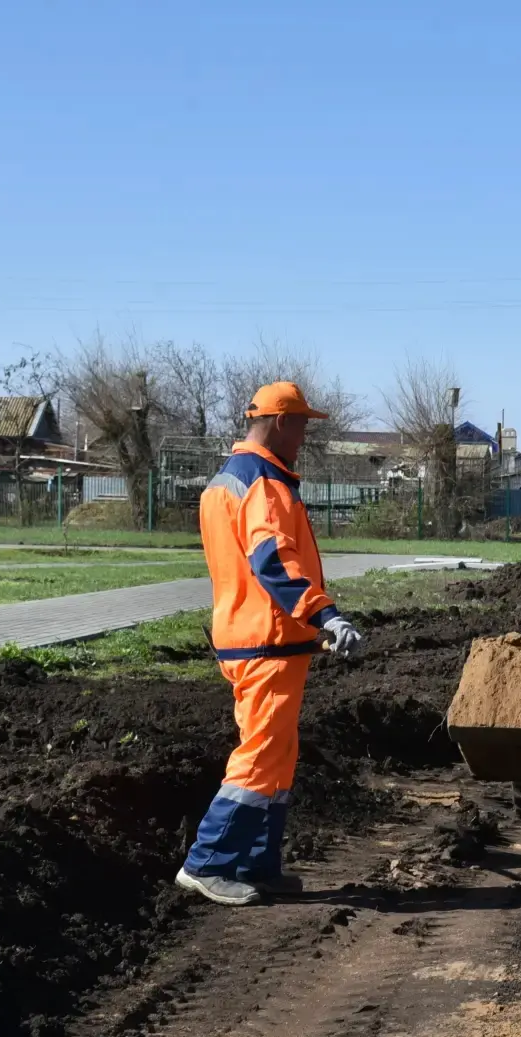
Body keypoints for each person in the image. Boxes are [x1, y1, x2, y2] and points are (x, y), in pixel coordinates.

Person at [176, 381, 365, 907]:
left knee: (277, 753)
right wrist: (325, 615)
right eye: (302, 425)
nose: (304, 436)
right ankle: (207, 863)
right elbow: (274, 561)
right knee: (261, 754)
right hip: (266, 639)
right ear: (281, 422)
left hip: (253, 636)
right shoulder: (263, 483)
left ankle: (255, 863)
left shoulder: (229, 480)